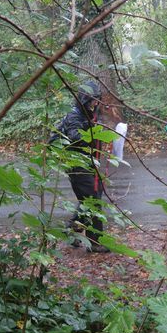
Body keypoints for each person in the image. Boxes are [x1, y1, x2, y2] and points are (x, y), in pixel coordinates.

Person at [51, 81, 109, 253]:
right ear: (84, 99)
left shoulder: (87, 113)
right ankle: (95, 242)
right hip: (75, 163)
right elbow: (75, 137)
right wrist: (92, 128)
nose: (95, 104)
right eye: (93, 100)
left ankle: (71, 231)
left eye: (97, 100)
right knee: (93, 200)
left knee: (93, 195)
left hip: (87, 161)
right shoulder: (74, 115)